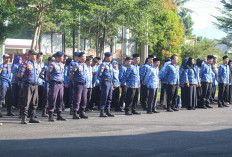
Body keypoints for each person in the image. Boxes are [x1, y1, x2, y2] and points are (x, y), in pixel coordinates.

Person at [18, 50, 40, 124]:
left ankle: (32, 117)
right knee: (26, 101)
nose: (35, 56)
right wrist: (26, 79)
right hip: (28, 85)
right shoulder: (26, 64)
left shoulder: (36, 64)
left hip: (35, 84)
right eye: (33, 55)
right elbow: (20, 74)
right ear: (30, 55)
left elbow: (37, 74)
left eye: (35, 55)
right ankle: (24, 118)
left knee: (34, 101)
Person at [47, 51, 66, 122]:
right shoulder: (52, 65)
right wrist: (51, 82)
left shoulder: (61, 65)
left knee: (60, 99)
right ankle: (51, 115)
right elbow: (48, 74)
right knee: (53, 99)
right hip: (54, 83)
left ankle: (59, 115)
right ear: (57, 57)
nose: (63, 58)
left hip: (61, 84)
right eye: (62, 57)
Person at [70, 52, 89, 119]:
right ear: (79, 58)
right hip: (78, 84)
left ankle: (82, 112)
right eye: (83, 57)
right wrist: (73, 81)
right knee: (77, 99)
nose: (84, 58)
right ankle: (75, 112)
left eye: (85, 57)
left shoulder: (85, 65)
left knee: (84, 99)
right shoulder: (76, 65)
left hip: (84, 84)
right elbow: (71, 74)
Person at [97, 52, 114, 117]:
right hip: (105, 82)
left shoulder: (111, 65)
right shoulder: (103, 64)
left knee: (109, 97)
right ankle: (102, 111)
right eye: (110, 57)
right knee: (104, 96)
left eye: (111, 57)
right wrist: (101, 82)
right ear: (106, 57)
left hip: (110, 82)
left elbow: (112, 74)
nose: (111, 58)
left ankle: (108, 110)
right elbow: (99, 74)